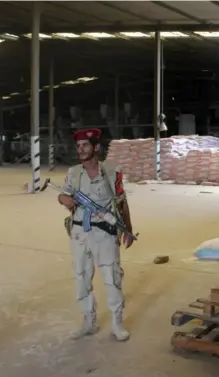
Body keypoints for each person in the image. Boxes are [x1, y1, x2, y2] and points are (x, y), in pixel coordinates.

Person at [58, 128, 134, 341]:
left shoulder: (112, 171)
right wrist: (63, 199)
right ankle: (88, 321)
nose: (80, 150)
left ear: (96, 147)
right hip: (80, 232)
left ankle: (117, 323)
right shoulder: (73, 173)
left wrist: (127, 228)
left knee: (112, 278)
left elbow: (122, 201)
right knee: (81, 278)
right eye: (78, 146)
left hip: (105, 232)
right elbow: (63, 194)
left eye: (85, 145)